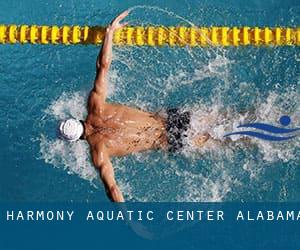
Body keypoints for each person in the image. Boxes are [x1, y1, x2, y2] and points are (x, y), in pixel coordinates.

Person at [58, 11, 210, 202]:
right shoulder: (95, 105)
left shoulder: (99, 152)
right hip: (172, 118)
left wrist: (130, 221)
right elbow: (103, 66)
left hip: (171, 140)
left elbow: (112, 189)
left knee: (228, 141)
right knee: (226, 118)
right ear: (76, 119)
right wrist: (109, 33)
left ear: (76, 140)